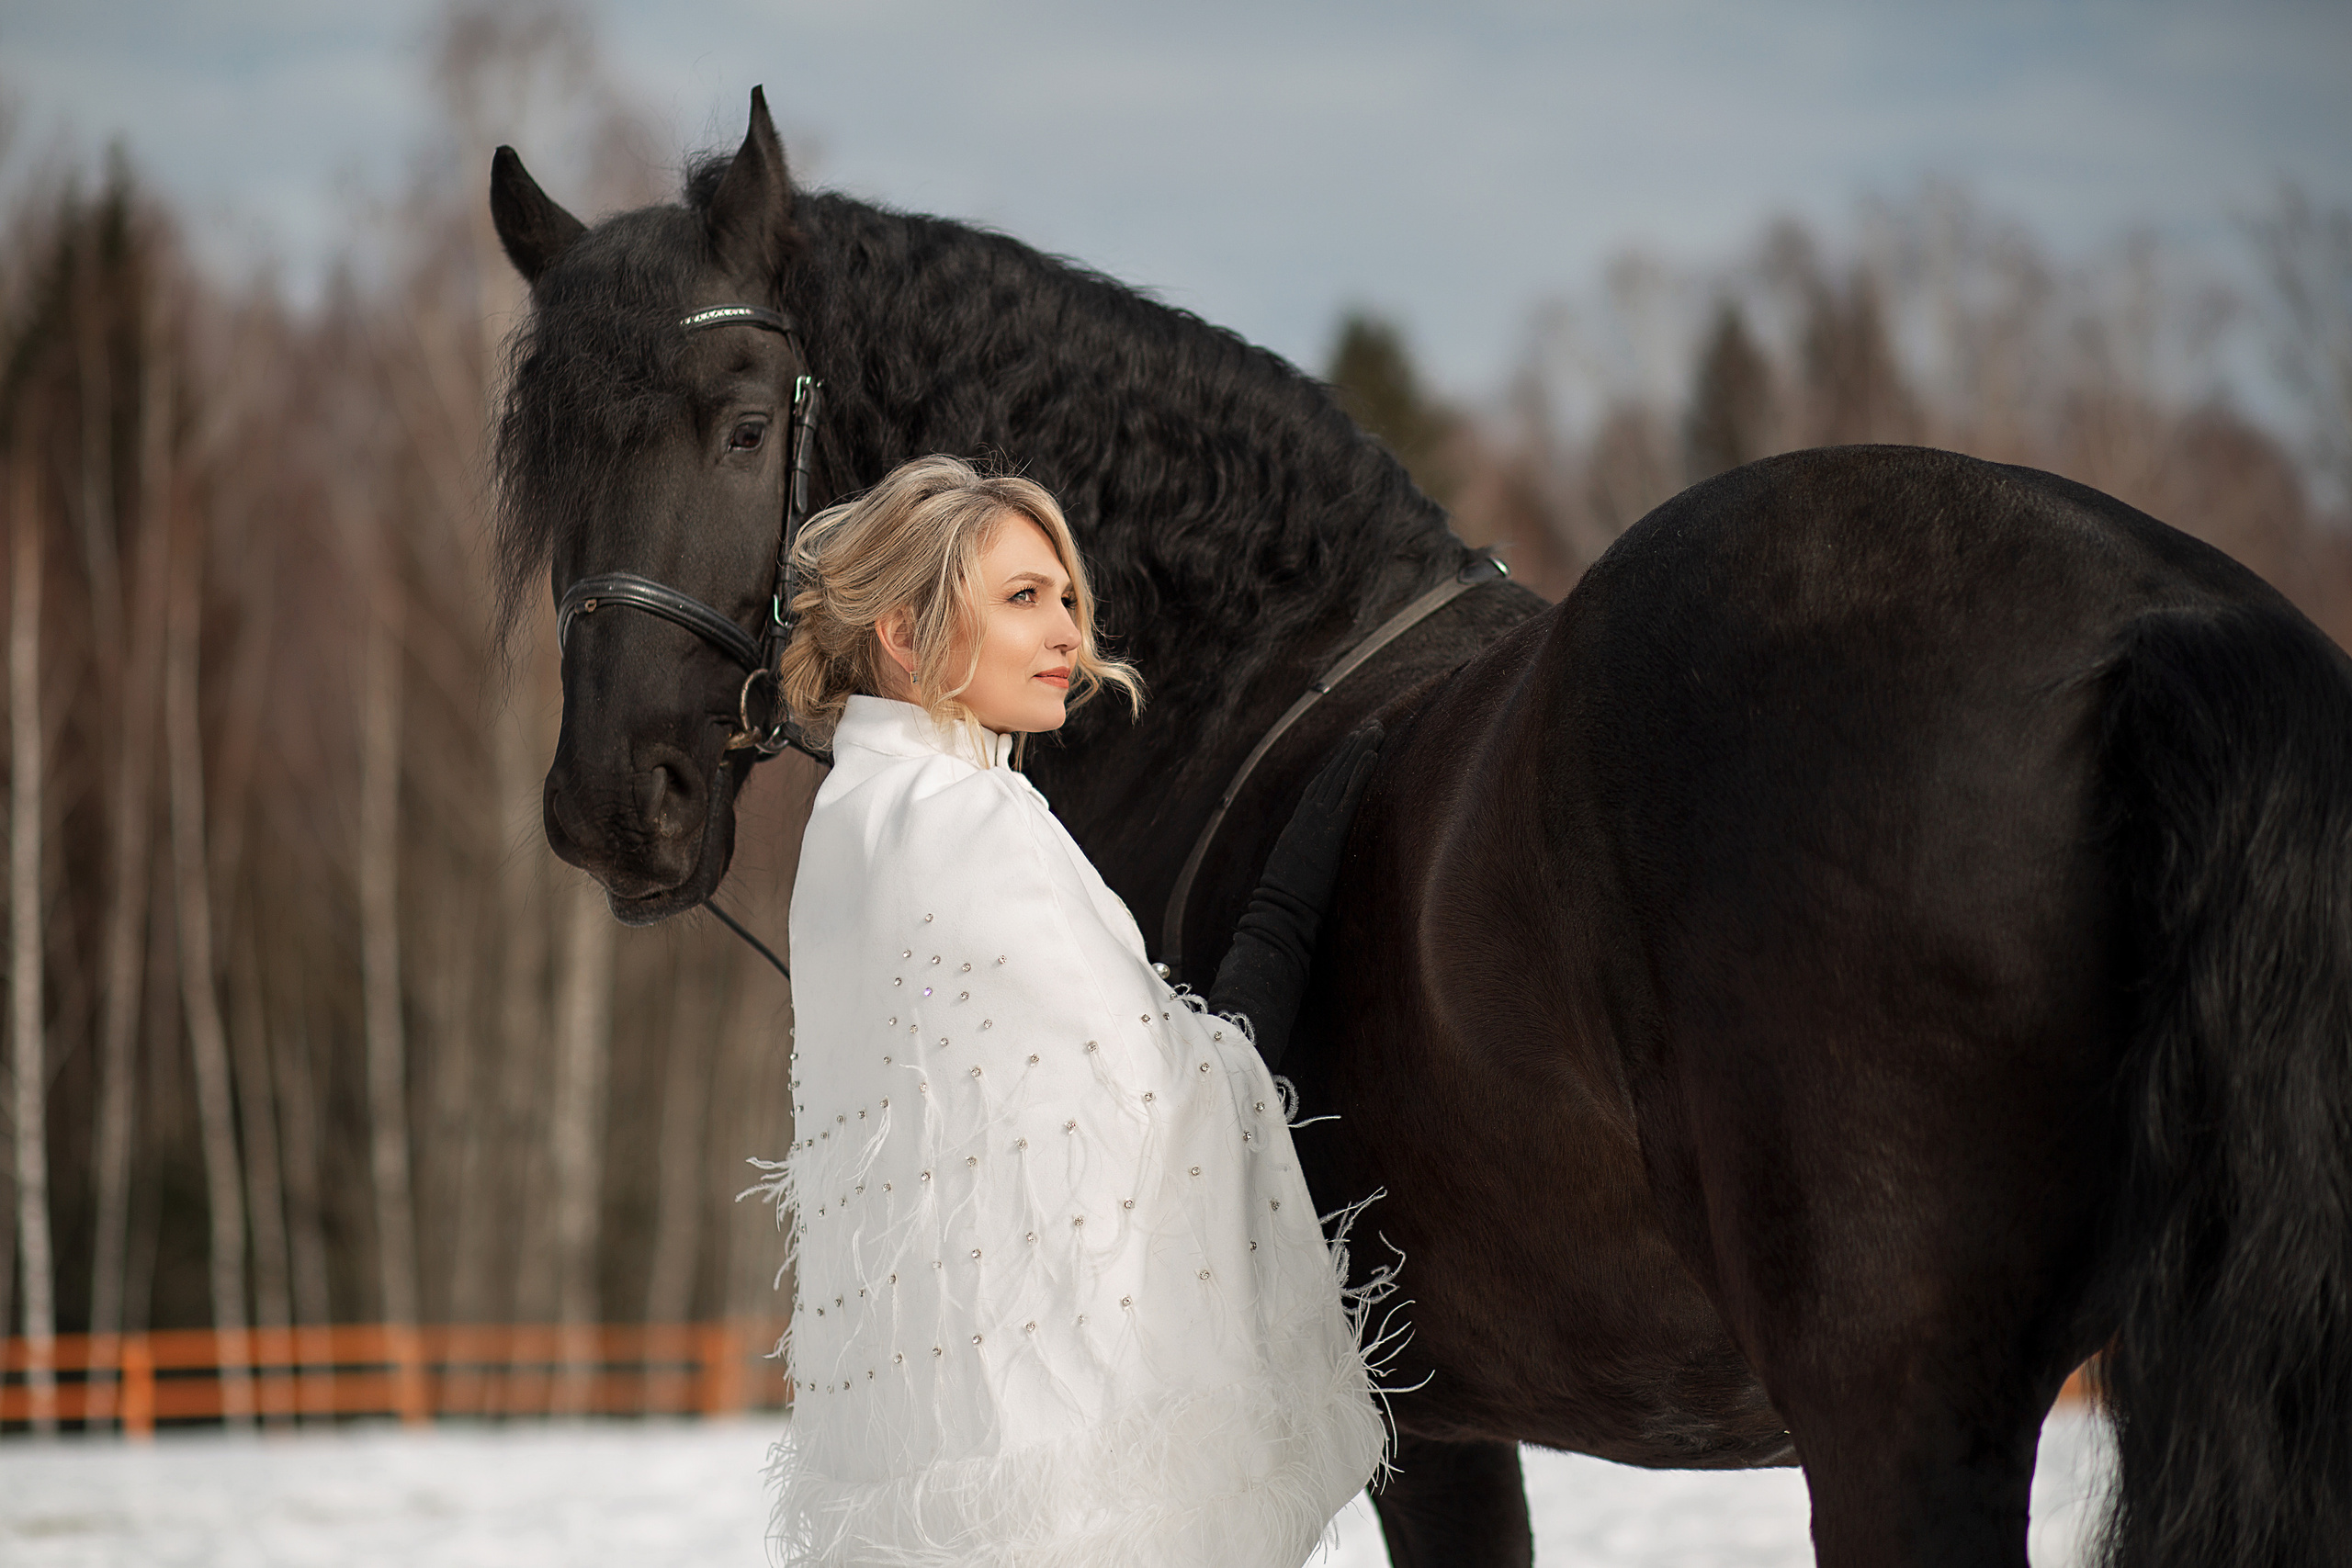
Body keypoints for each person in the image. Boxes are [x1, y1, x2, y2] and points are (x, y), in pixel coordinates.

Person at [761, 454, 1390, 1567]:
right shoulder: (970, 817)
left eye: (1066, 599)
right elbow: (1151, 1109)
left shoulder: (850, 819)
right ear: (904, 634)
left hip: (940, 1476)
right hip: (1063, 1492)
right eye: (1021, 599)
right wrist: (1276, 940)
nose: (1067, 633)